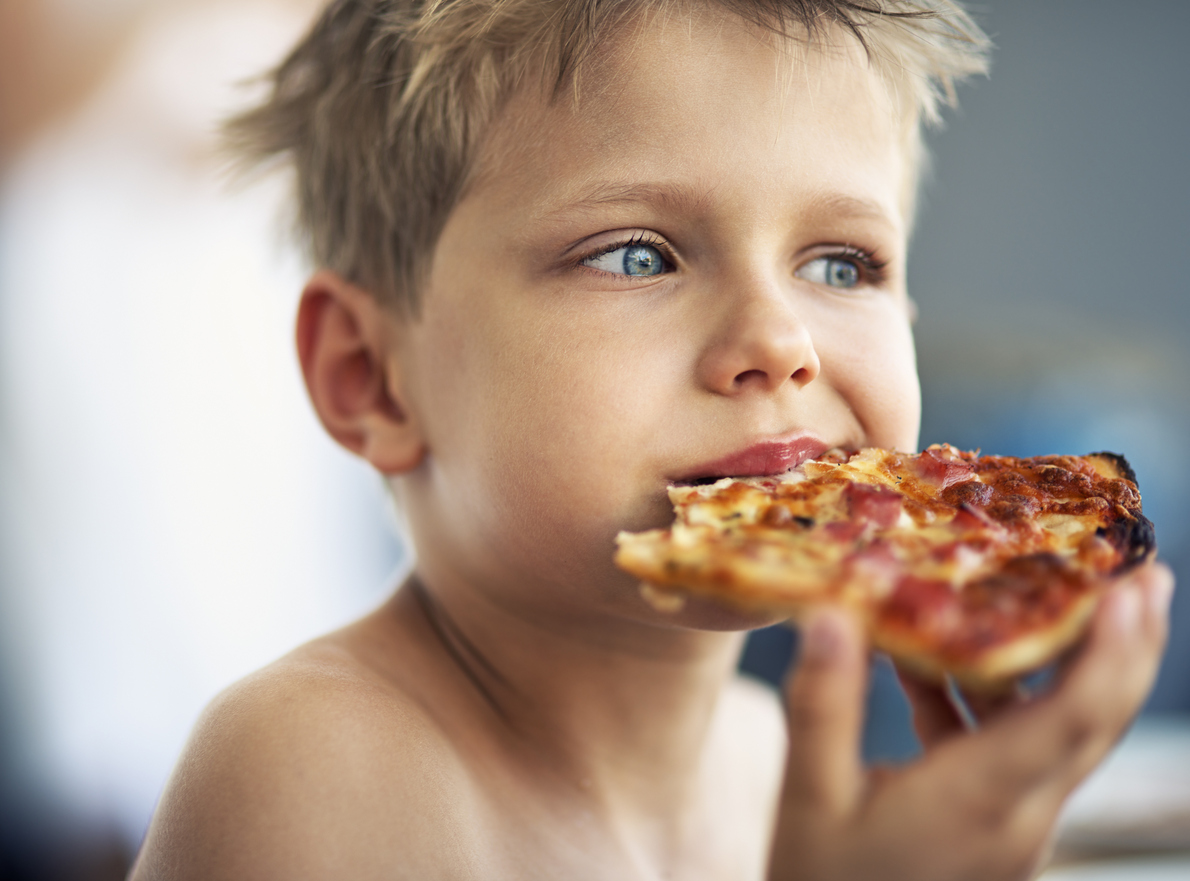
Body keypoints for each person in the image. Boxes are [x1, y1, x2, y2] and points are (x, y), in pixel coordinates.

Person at [129, 1, 1174, 878]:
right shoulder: (312, 769)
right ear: (373, 378)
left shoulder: (771, 769)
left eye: (842, 264)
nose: (778, 341)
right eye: (635, 256)